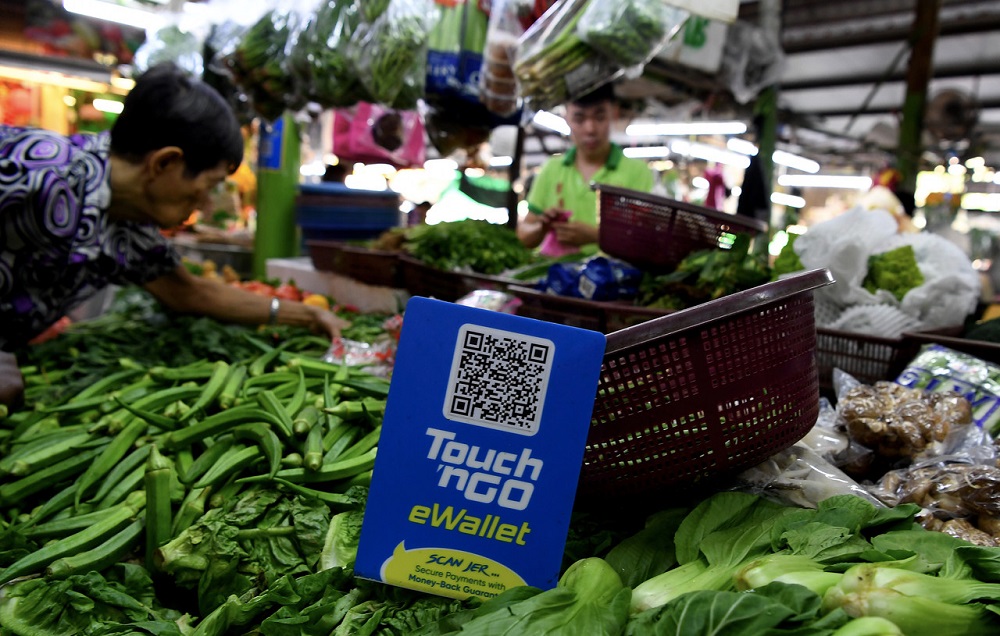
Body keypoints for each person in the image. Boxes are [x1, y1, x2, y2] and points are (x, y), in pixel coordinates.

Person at [0, 63, 349, 408]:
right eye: (208, 186)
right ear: (165, 163)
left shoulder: (128, 229)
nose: (205, 203)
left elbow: (189, 293)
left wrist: (307, 315)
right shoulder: (39, 170)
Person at [516, 82, 654, 253]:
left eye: (599, 117)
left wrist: (597, 236)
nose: (590, 129)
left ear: (614, 113)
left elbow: (647, 241)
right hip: (554, 268)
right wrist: (542, 227)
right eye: (579, 119)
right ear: (566, 118)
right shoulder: (551, 168)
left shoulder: (638, 172)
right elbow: (524, 235)